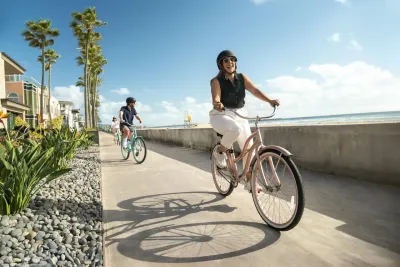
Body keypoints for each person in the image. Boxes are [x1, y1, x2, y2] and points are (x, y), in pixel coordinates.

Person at [209, 50, 280, 192]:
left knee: (249, 150)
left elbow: (255, 90)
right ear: (221, 65)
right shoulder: (216, 81)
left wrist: (270, 100)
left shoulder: (242, 78)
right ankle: (220, 153)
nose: (230, 63)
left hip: (240, 114)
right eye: (226, 61)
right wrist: (218, 103)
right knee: (235, 129)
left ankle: (249, 181)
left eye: (232, 59)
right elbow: (216, 97)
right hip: (221, 114)